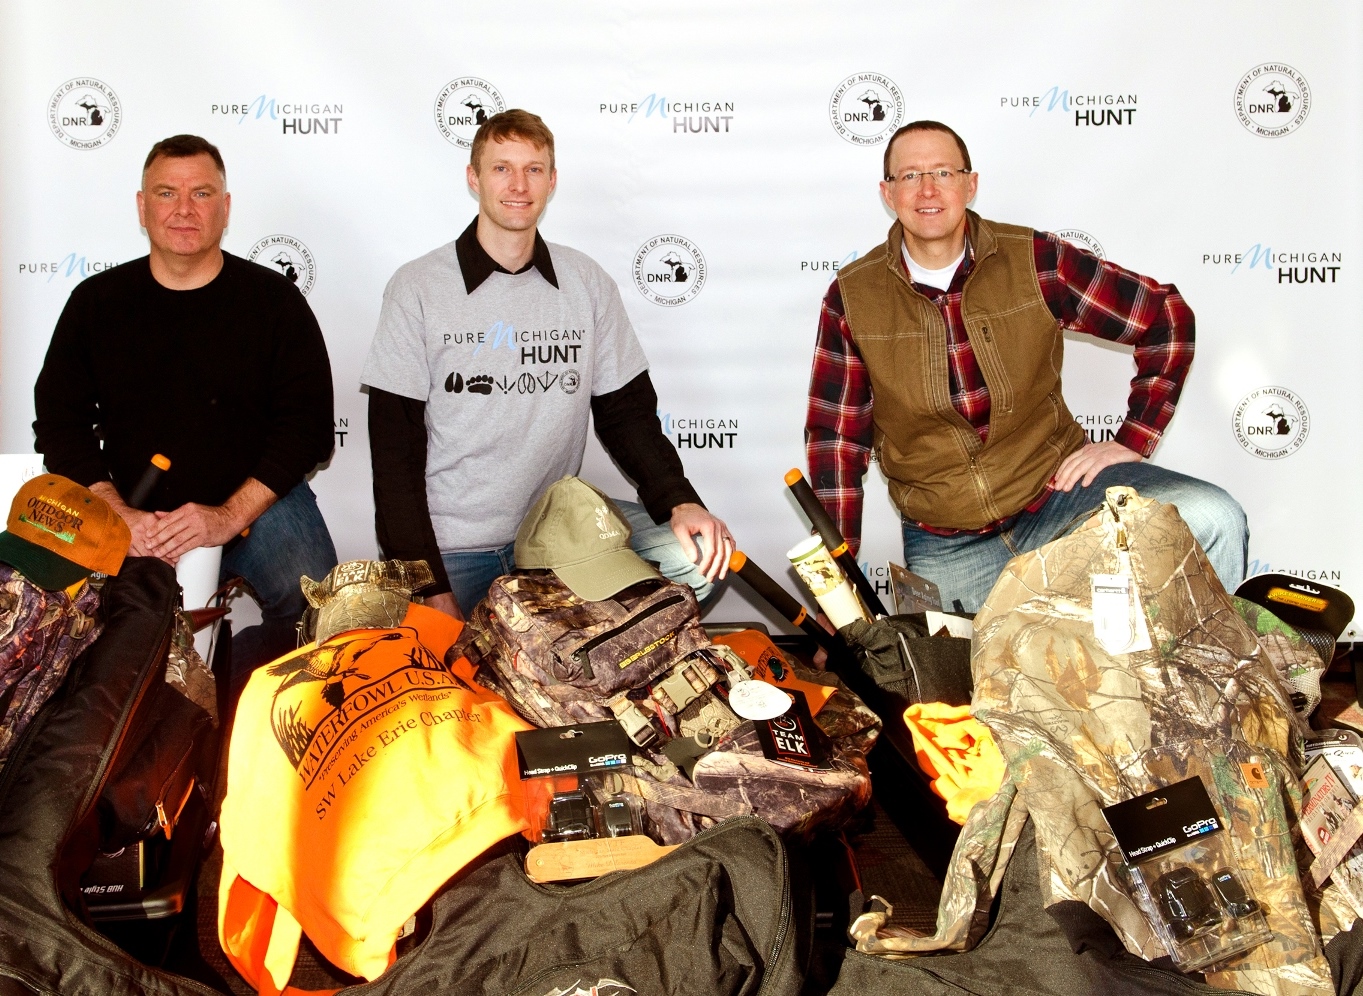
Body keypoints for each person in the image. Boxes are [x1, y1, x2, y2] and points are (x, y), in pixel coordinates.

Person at [806, 120, 1247, 612]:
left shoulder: (1037, 260)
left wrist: (1132, 439)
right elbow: (835, 443)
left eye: (944, 172)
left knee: (1214, 518)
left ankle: (1205, 660)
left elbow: (1164, 316)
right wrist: (836, 590)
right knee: (955, 664)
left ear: (970, 185)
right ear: (888, 193)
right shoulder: (852, 297)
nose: (928, 189)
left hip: (1065, 502)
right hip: (947, 543)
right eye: (910, 176)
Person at [361, 109, 734, 618]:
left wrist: (679, 501)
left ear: (552, 181)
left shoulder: (586, 282)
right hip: (453, 550)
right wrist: (428, 586)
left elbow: (627, 415)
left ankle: (581, 647)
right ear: (474, 178)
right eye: (501, 168)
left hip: (556, 542)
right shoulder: (417, 287)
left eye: (533, 169)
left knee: (697, 555)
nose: (518, 185)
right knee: (455, 659)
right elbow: (393, 454)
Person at [33, 134, 338, 671]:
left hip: (254, 501)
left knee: (320, 608)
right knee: (76, 622)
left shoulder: (274, 301)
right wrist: (117, 513)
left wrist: (227, 516)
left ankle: (228, 680)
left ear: (225, 207)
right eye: (166, 193)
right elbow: (59, 423)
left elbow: (308, 427)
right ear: (142, 207)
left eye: (201, 193)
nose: (183, 210)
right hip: (132, 505)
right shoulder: (96, 303)